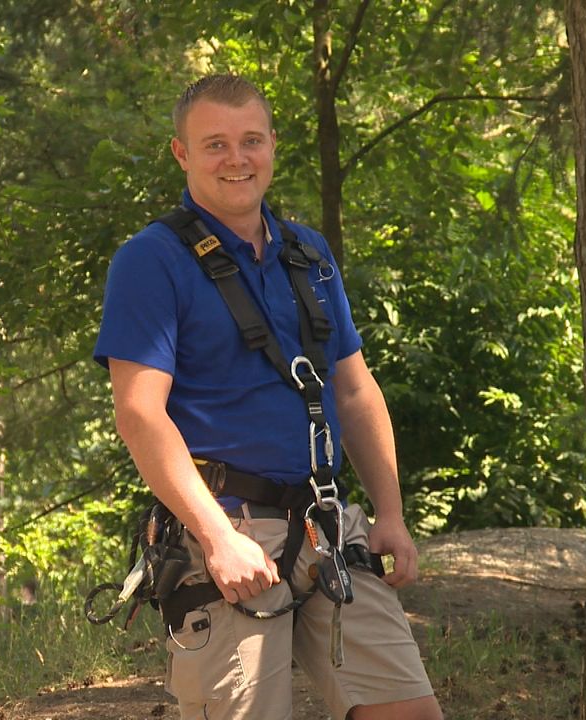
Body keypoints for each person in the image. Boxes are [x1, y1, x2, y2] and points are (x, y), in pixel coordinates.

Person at [94, 74, 442, 720]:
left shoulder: (308, 256)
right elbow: (139, 413)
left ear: (274, 146)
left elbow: (355, 389)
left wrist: (389, 512)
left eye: (251, 140)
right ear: (182, 154)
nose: (237, 159)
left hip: (327, 526)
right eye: (216, 144)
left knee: (409, 712)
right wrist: (215, 535)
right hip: (226, 530)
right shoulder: (150, 261)